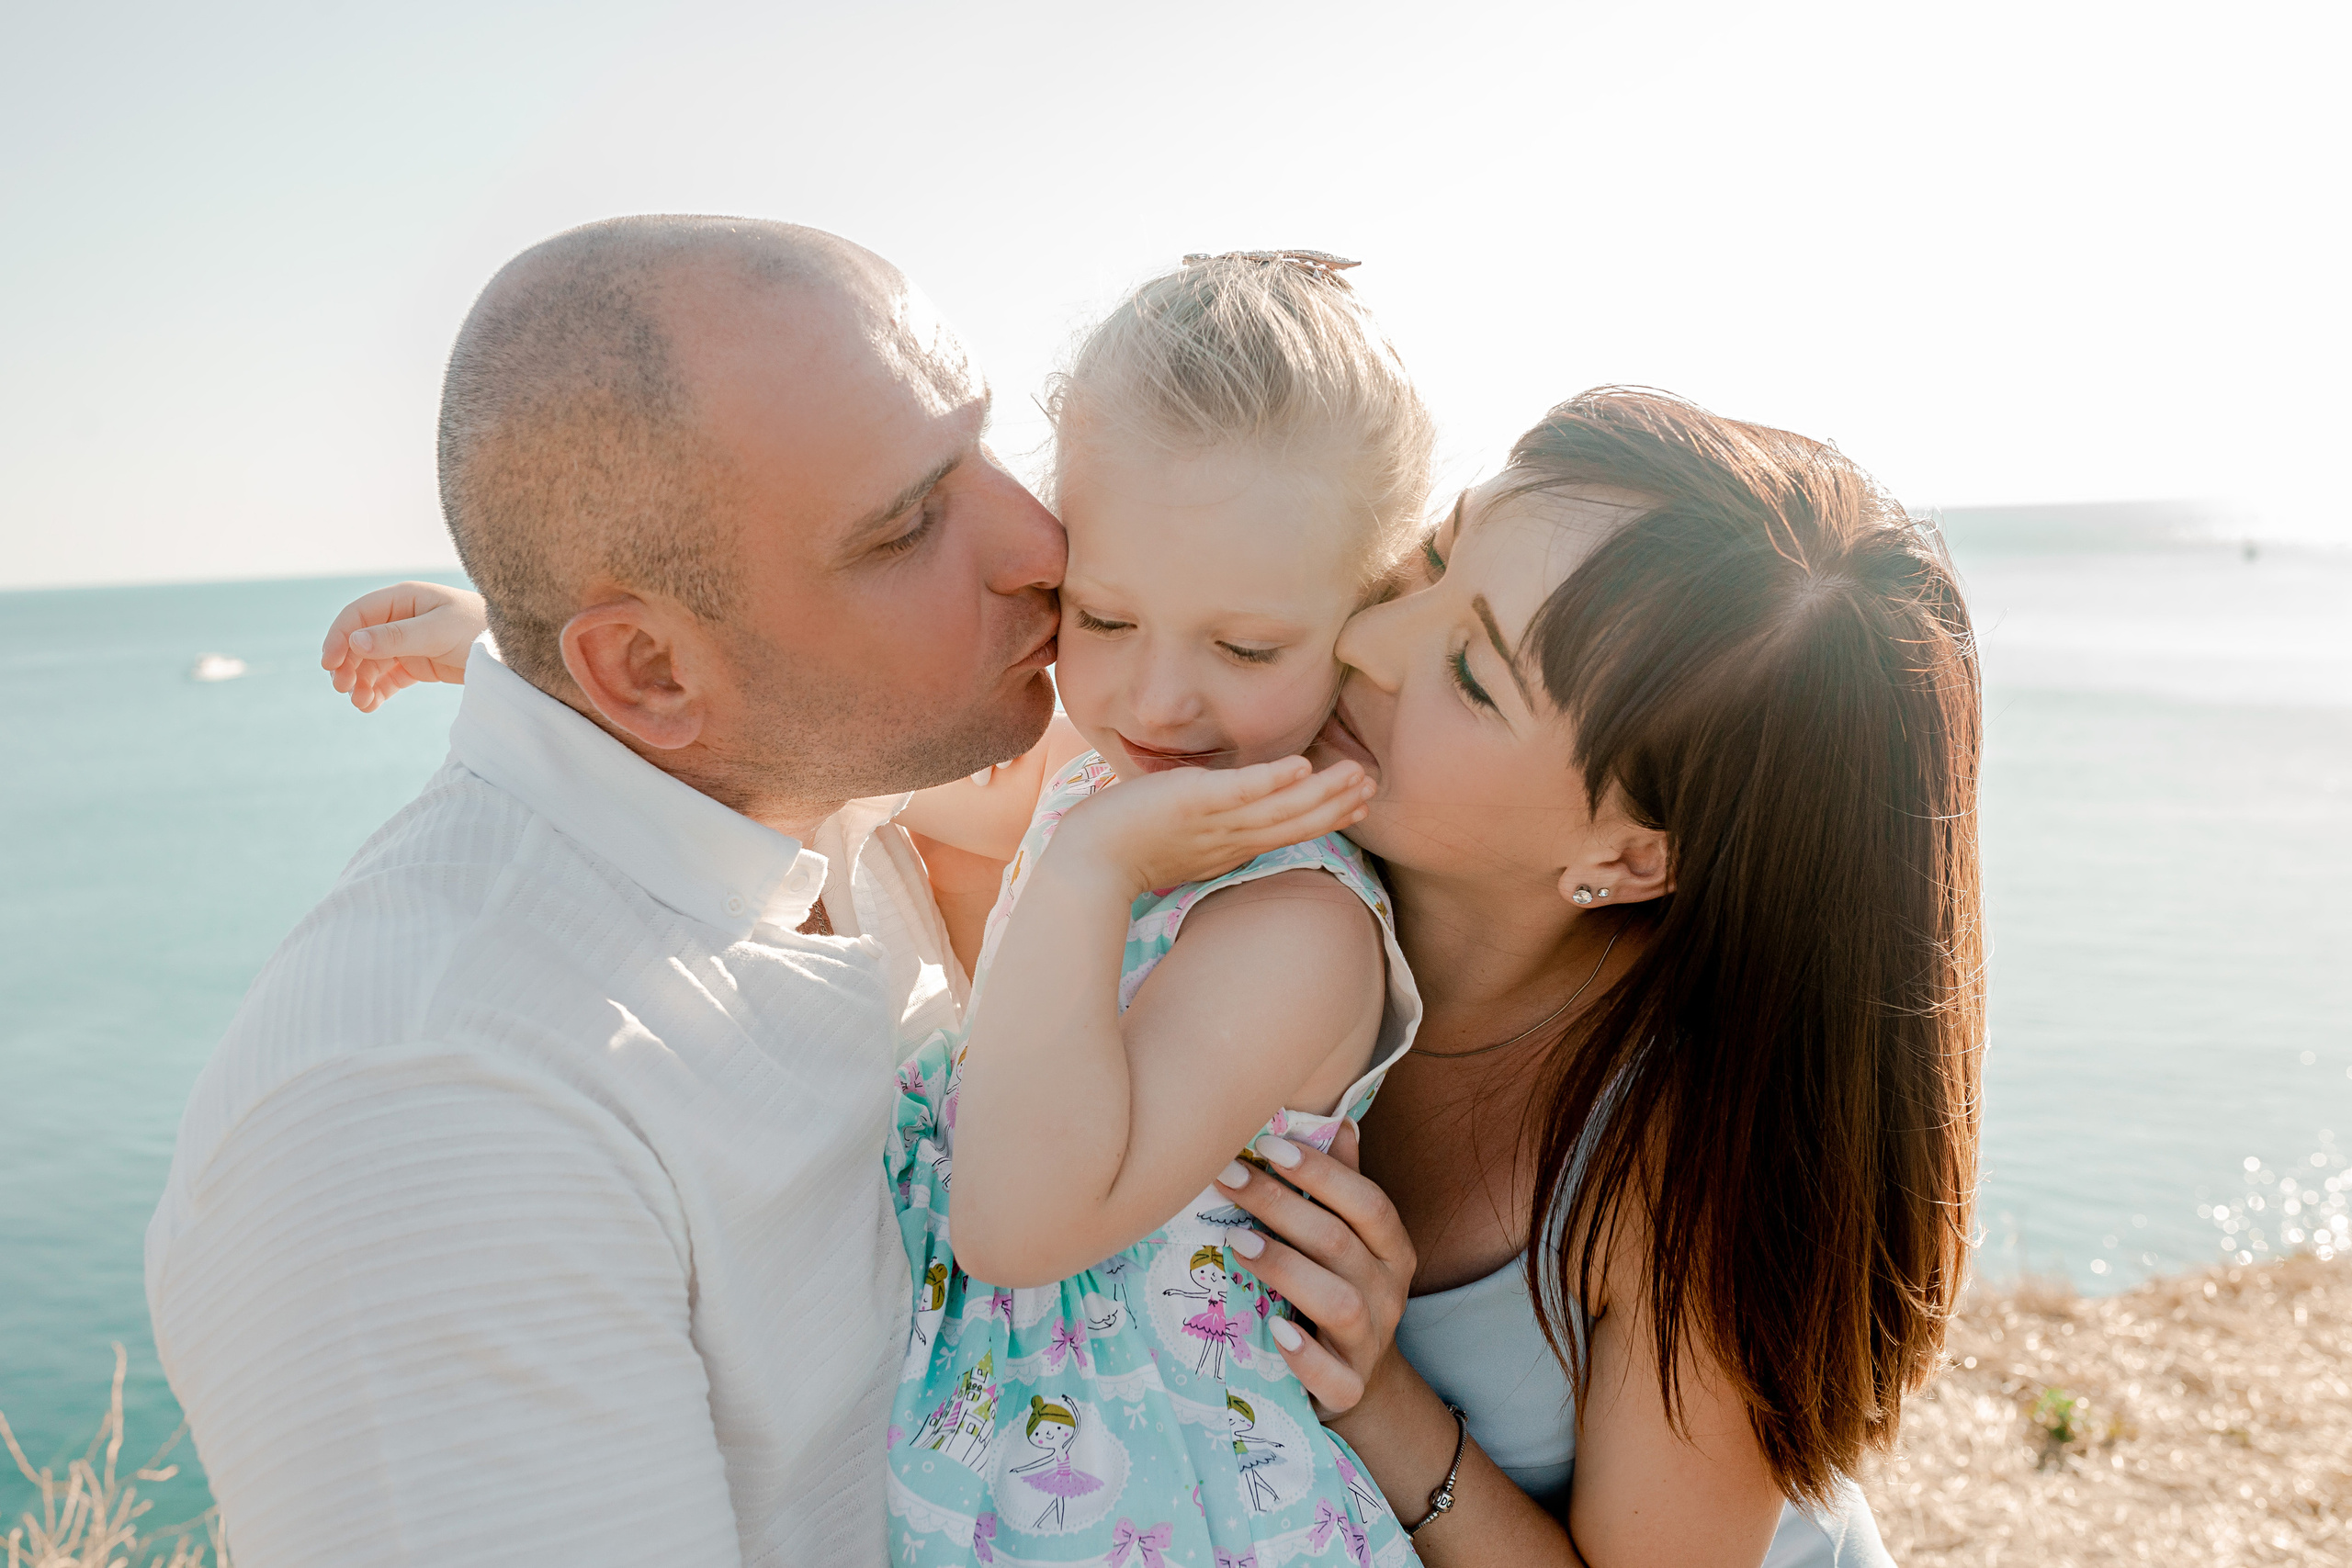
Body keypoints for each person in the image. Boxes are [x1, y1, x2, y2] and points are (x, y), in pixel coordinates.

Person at [143, 215, 1065, 1568]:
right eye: (910, 524)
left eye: (985, 446)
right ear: (646, 671)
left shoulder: (814, 781)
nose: (1042, 540)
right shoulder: (430, 1114)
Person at [1213, 389, 1982, 1565]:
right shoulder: (1276, 859)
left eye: (1472, 675)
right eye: (1431, 558)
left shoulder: (1690, 1165)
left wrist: (1380, 1400)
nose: (1365, 642)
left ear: (1630, 859)